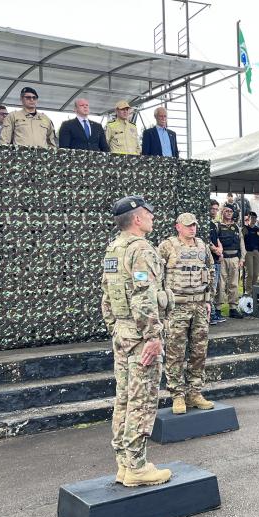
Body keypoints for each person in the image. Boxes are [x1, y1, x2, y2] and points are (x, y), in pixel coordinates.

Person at [100, 195, 172, 487]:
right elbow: (144, 297)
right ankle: (138, 467)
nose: (153, 218)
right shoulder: (141, 249)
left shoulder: (114, 248)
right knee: (141, 401)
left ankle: (123, 464)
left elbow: (107, 296)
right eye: (149, 214)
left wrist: (116, 329)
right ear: (138, 219)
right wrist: (153, 337)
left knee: (125, 399)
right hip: (142, 336)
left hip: (123, 333)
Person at [158, 213, 216, 415]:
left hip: (199, 306)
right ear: (178, 227)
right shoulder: (167, 246)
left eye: (194, 225)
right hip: (177, 307)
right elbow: (156, 274)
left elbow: (210, 272)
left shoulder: (202, 245)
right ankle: (177, 395)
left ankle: (194, 392)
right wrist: (161, 302)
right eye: (188, 226)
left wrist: (208, 300)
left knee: (199, 352)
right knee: (175, 352)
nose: (192, 228)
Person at [216, 204, 245, 319]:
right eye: (226, 211)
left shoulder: (237, 227)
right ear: (222, 212)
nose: (228, 213)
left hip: (234, 258)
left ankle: (233, 308)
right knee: (220, 284)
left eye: (231, 211)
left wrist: (242, 258)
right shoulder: (218, 226)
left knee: (233, 284)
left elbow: (241, 243)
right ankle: (218, 308)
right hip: (222, 258)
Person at [208, 200, 225, 324]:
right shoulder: (205, 223)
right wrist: (216, 250)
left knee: (215, 288)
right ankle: (211, 314)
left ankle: (213, 313)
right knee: (211, 288)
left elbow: (217, 238)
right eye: (213, 209)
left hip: (217, 259)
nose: (214, 211)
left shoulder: (214, 224)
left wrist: (220, 249)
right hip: (210, 260)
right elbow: (207, 241)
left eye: (216, 209)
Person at [242, 212, 259, 292]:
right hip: (248, 252)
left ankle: (254, 291)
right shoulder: (245, 229)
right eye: (252, 218)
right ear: (249, 218)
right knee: (250, 273)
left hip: (257, 252)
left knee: (256, 273)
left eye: (255, 218)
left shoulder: (257, 229)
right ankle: (248, 291)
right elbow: (242, 242)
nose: (253, 220)